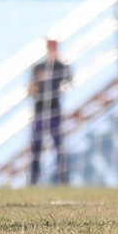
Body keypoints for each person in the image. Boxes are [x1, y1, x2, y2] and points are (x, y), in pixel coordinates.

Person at [28, 39, 70, 186]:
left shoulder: (60, 66)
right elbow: (31, 88)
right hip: (39, 111)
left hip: (54, 110)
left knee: (59, 145)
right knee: (36, 145)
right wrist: (33, 89)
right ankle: (33, 179)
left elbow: (68, 80)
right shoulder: (38, 67)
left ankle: (62, 178)